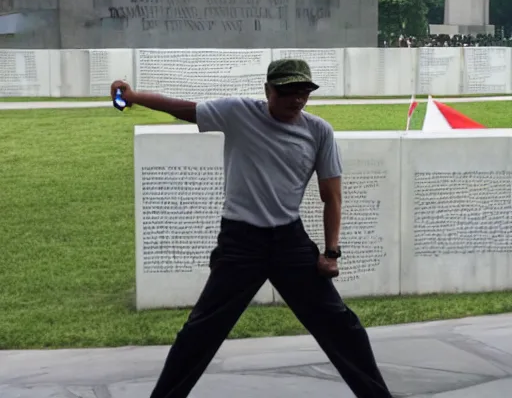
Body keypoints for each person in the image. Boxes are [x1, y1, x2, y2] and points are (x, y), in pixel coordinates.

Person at [110, 58, 393, 398]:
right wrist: (135, 96)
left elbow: (332, 197)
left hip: (290, 241)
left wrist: (331, 252)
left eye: (304, 92)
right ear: (268, 90)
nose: (297, 100)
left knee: (342, 327)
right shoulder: (239, 113)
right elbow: (185, 109)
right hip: (241, 243)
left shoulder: (319, 132)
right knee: (200, 332)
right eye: (288, 91)